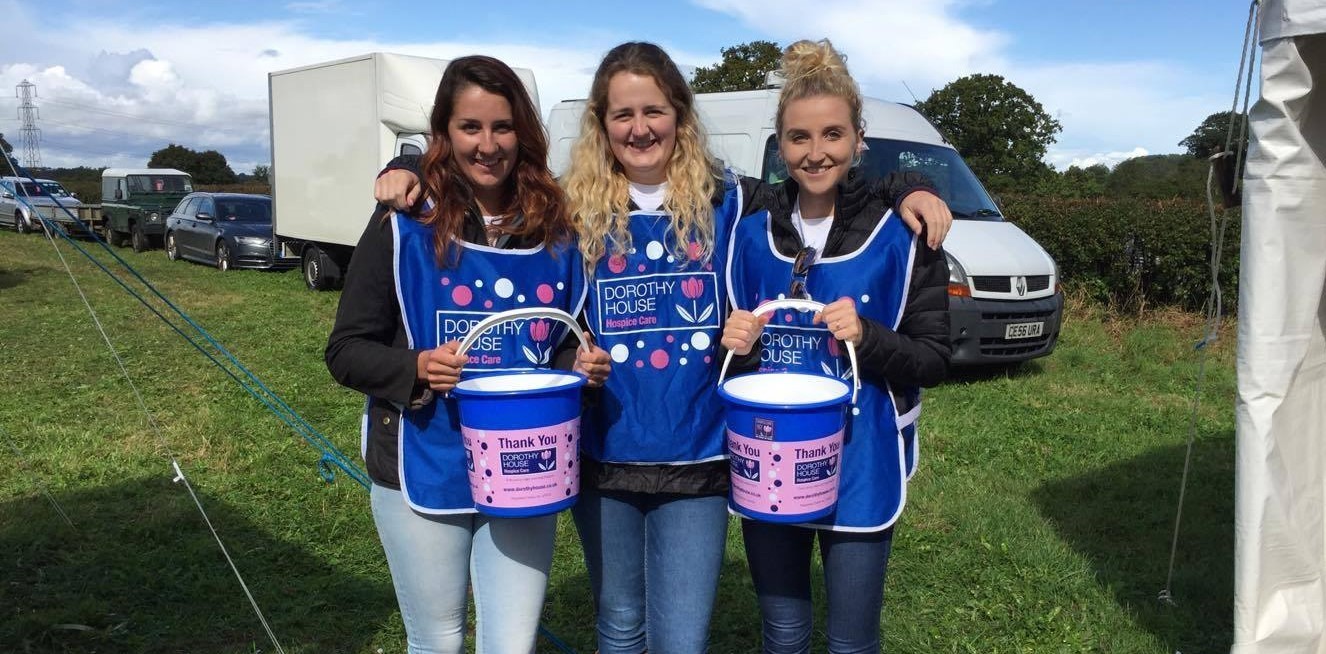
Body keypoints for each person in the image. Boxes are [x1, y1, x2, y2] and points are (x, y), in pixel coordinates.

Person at [373, 42, 950, 654]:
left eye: (654, 111)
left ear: (680, 115)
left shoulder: (730, 198)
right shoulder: (567, 209)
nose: (639, 128)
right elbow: (502, 204)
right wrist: (410, 167)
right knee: (619, 628)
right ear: (601, 124)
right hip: (603, 453)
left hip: (699, 456)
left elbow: (819, 184)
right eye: (622, 115)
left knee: (682, 638)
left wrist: (911, 186)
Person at [325, 55, 610, 654]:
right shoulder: (403, 221)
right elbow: (346, 351)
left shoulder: (555, 230)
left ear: (523, 133)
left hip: (525, 466)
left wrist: (576, 367)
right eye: (470, 127)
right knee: (438, 641)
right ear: (443, 134)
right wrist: (415, 368)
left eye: (502, 127)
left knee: (511, 643)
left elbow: (552, 347)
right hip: (424, 458)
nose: (487, 145)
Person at [721, 39, 952, 654]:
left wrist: (868, 336)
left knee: (852, 641)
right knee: (784, 632)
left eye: (832, 135)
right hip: (771, 459)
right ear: (780, 144)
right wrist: (738, 343)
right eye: (799, 138)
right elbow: (738, 364)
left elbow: (933, 356)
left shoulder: (903, 233)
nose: (816, 153)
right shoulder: (751, 231)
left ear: (857, 140)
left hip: (861, 460)